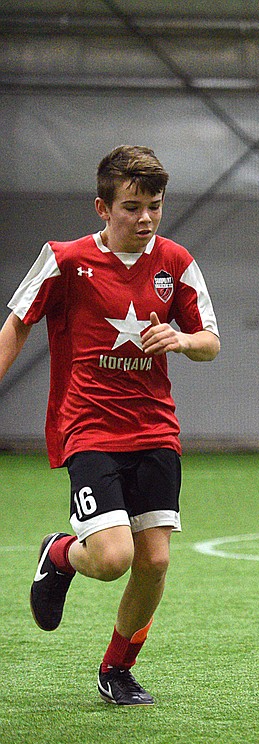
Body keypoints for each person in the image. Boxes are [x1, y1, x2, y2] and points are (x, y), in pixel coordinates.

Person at [1, 145, 221, 706]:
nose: (145, 219)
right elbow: (17, 324)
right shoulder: (65, 259)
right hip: (89, 426)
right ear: (102, 207)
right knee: (111, 557)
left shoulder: (176, 262)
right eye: (131, 207)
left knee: (154, 560)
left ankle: (116, 670)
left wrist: (183, 339)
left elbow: (211, 343)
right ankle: (60, 556)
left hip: (155, 428)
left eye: (154, 206)